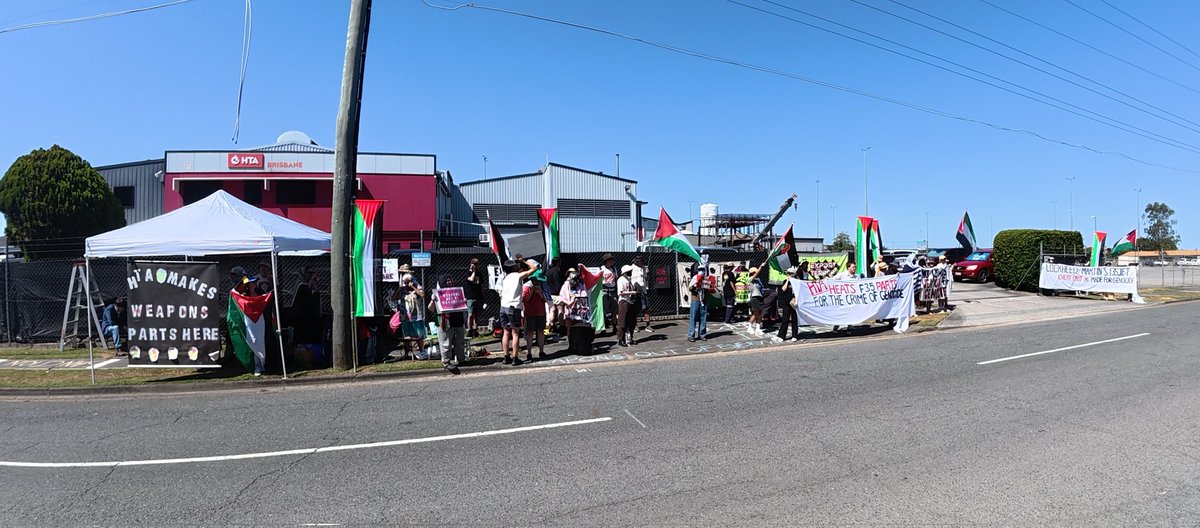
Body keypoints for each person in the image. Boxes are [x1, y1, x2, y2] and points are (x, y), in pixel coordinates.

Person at [500, 258, 539, 365]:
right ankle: (515, 358)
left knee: (506, 332)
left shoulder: (505, 278)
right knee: (515, 333)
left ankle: (506, 357)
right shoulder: (517, 276)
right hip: (513, 307)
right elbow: (534, 268)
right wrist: (524, 260)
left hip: (503, 307)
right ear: (513, 268)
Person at [429, 275, 466, 374]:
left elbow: (463, 306)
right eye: (447, 281)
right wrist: (433, 300)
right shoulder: (437, 294)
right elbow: (431, 309)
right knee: (446, 343)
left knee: (459, 341)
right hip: (444, 322)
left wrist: (464, 302)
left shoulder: (457, 292)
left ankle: (461, 359)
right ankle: (446, 362)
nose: (449, 282)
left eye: (450, 280)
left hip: (458, 320)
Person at [391, 273, 427, 354]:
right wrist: (399, 289)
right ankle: (407, 352)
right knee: (407, 334)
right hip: (405, 316)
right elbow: (393, 298)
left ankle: (422, 350)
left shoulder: (417, 287)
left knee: (419, 334)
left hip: (416, 315)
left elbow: (422, 295)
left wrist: (413, 287)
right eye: (405, 282)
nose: (407, 284)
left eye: (408, 282)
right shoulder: (403, 290)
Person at [562, 268, 593, 354]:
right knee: (570, 327)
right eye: (571, 273)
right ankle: (571, 345)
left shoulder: (580, 284)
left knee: (579, 327)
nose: (573, 274)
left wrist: (579, 299)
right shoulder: (566, 285)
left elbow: (584, 294)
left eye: (574, 273)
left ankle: (579, 345)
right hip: (570, 309)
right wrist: (569, 302)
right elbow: (562, 297)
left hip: (579, 310)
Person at [521, 272, 548, 362]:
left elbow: (545, 299)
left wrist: (540, 293)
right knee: (530, 333)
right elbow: (525, 299)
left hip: (541, 312)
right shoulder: (526, 286)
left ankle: (541, 351)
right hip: (530, 313)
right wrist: (532, 292)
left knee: (541, 332)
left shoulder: (543, 286)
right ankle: (529, 353)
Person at [687, 265, 716, 342]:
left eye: (703, 269)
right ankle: (691, 335)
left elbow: (710, 288)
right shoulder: (695, 277)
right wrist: (695, 285)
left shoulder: (707, 278)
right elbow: (690, 287)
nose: (702, 271)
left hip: (703, 299)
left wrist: (710, 286)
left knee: (703, 317)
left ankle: (702, 334)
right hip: (696, 299)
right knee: (694, 317)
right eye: (700, 269)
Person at [616, 265, 639, 347]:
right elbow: (620, 292)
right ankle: (620, 339)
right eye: (629, 271)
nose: (631, 272)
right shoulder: (621, 280)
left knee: (632, 321)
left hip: (630, 301)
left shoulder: (629, 280)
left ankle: (630, 338)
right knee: (622, 321)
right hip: (624, 301)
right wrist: (632, 292)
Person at [776, 267, 800, 341]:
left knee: (794, 319)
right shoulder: (785, 281)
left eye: (790, 273)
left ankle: (794, 335)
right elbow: (783, 289)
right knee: (785, 319)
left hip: (794, 303)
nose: (788, 274)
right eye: (788, 273)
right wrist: (787, 281)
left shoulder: (797, 281)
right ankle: (781, 336)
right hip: (786, 303)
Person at [631, 256, 653, 333]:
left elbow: (647, 279)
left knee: (646, 308)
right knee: (636, 309)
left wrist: (647, 274)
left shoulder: (644, 268)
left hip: (644, 290)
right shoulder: (632, 268)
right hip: (636, 291)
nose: (643, 262)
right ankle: (635, 325)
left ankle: (648, 325)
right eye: (641, 261)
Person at [463, 258, 484, 337]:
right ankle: (469, 330)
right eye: (474, 264)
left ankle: (476, 329)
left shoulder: (479, 273)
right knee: (471, 314)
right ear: (471, 264)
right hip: (470, 297)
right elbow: (471, 279)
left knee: (478, 314)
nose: (476, 265)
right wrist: (473, 271)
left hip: (478, 296)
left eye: (477, 264)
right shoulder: (468, 273)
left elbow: (481, 283)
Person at [544, 258, 564, 335]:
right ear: (558, 263)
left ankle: (550, 327)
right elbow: (557, 283)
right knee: (560, 310)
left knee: (551, 311)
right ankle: (562, 327)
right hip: (557, 294)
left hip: (549, 294)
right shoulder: (556, 271)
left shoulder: (547, 272)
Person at [600, 253, 618, 331]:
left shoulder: (614, 269)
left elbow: (616, 278)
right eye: (611, 259)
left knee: (614, 310)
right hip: (604, 291)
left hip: (613, 290)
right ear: (607, 261)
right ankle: (603, 328)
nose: (613, 261)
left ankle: (614, 327)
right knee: (604, 310)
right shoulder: (602, 269)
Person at [747, 267, 766, 335]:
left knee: (760, 314)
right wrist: (761, 267)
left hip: (760, 297)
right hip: (754, 297)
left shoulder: (758, 280)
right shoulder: (751, 279)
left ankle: (758, 328)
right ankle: (749, 326)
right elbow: (757, 273)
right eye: (755, 272)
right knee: (755, 313)